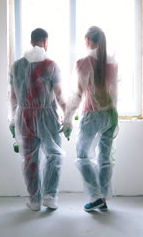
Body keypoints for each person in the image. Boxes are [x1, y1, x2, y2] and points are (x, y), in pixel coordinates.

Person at [9, 28, 66, 211]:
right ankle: (50, 197)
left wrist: (12, 119)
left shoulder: (17, 66)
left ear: (31, 41)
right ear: (46, 42)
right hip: (47, 116)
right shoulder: (51, 65)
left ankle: (34, 201)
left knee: (30, 159)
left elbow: (13, 97)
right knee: (54, 155)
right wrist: (68, 116)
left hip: (24, 116)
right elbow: (59, 95)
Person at [62, 26, 118, 212]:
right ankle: (103, 197)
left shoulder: (84, 62)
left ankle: (96, 196)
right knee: (104, 158)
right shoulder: (112, 63)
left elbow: (77, 94)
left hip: (92, 116)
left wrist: (67, 118)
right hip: (111, 115)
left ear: (88, 41)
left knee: (83, 155)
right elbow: (114, 93)